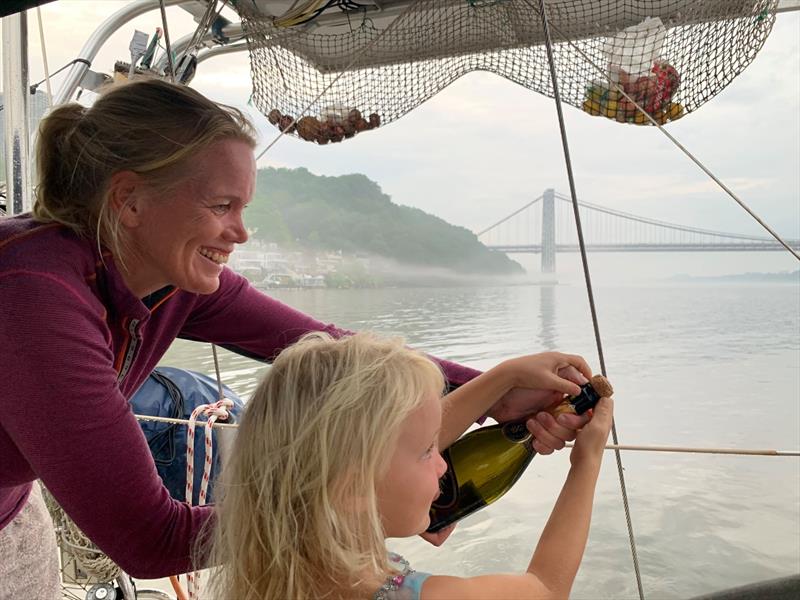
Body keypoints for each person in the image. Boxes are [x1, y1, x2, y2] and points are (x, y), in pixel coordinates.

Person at [0, 78, 589, 596]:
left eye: (244, 206)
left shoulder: (171, 278)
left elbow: (332, 348)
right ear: (130, 200)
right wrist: (354, 514)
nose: (242, 232)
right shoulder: (32, 297)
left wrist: (495, 389)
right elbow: (149, 538)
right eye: (222, 205)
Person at [205, 332, 613, 599]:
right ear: (352, 489)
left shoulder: (277, 561)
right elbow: (545, 588)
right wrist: (587, 460)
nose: (443, 464)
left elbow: (396, 439)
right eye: (427, 452)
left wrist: (504, 378)